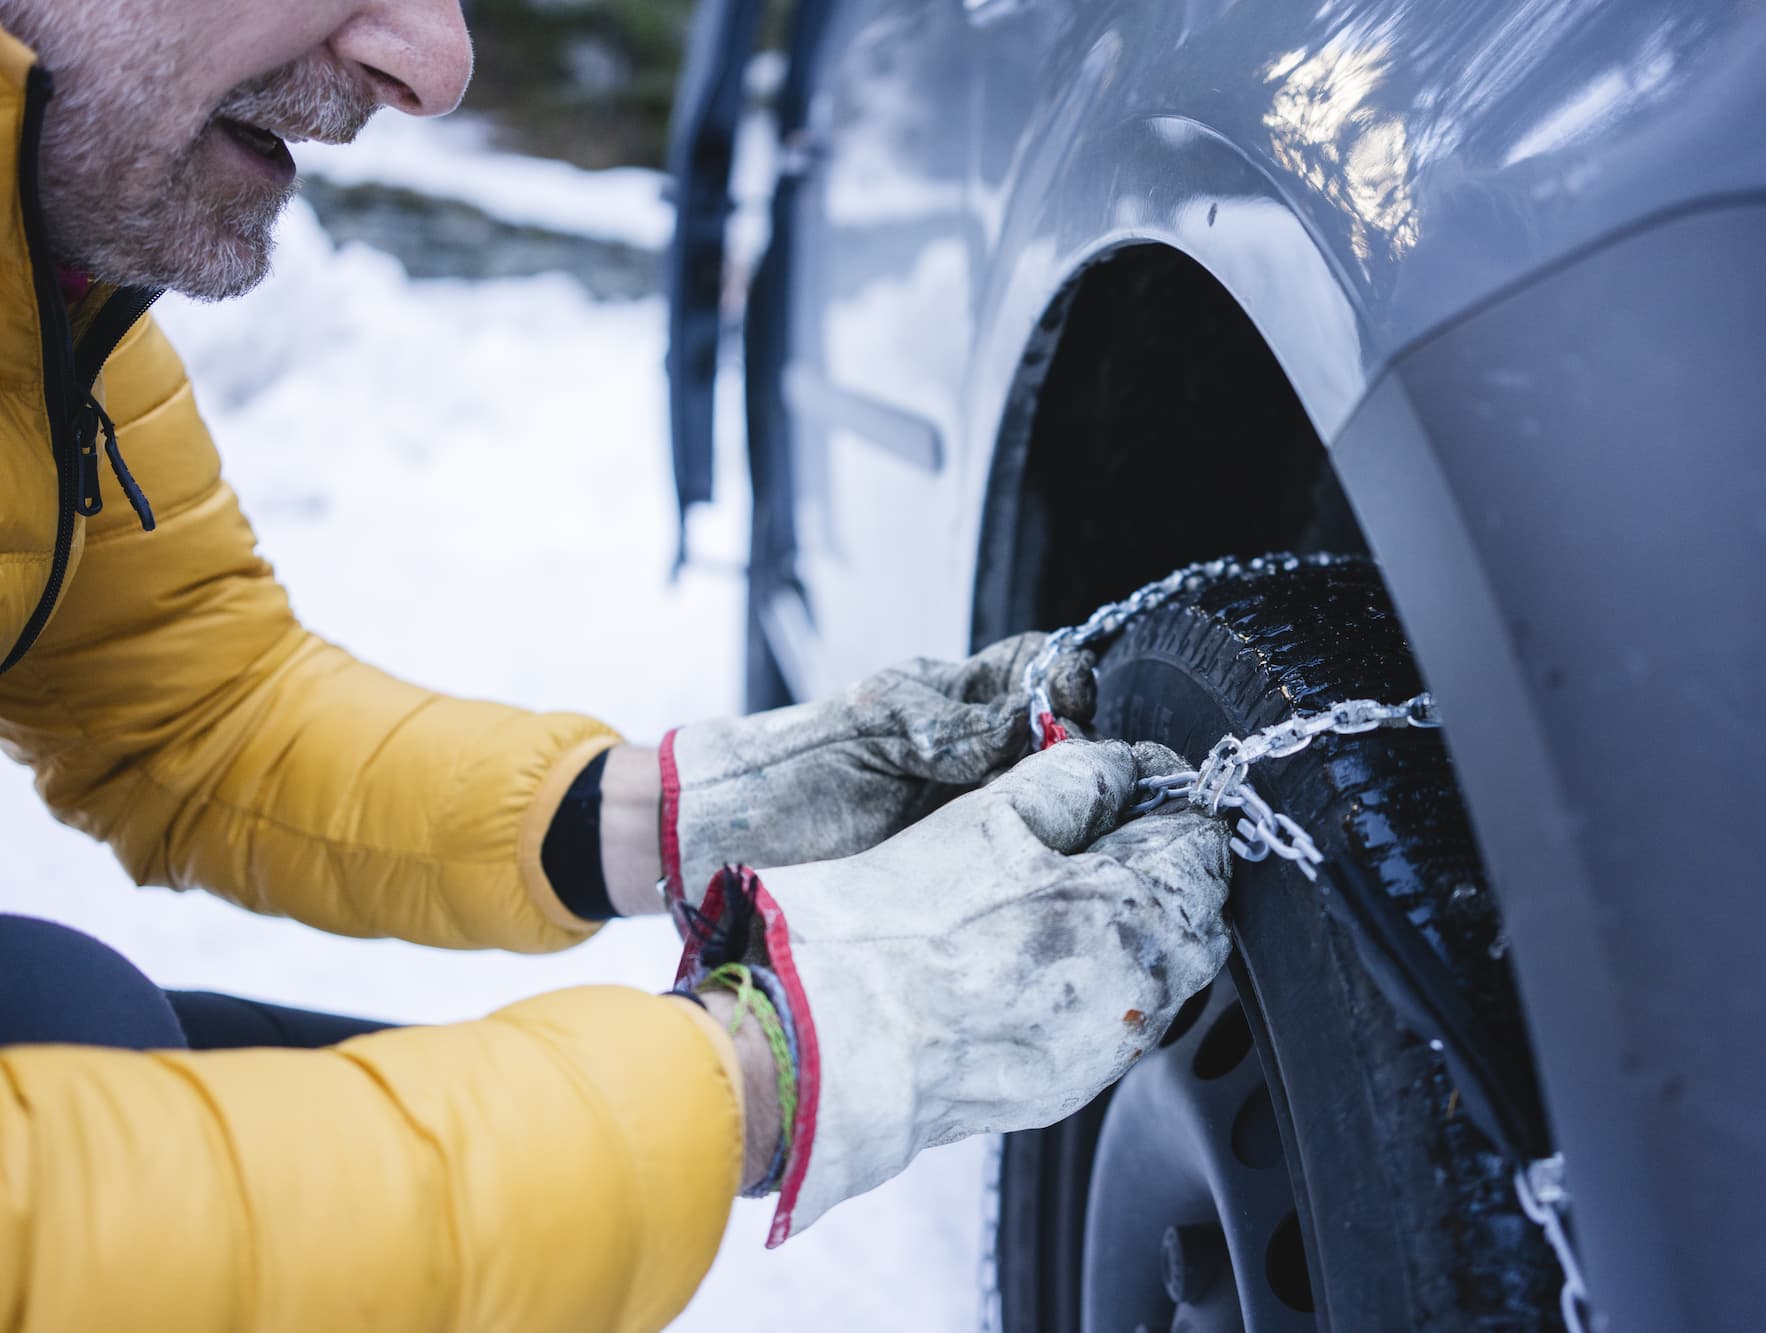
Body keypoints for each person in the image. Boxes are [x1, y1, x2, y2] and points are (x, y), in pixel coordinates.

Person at [0, 1, 1235, 1329]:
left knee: (73, 1007)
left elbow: (190, 709)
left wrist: (666, 813)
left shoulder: (39, 296)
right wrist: (774, 1067)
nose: (434, 64)